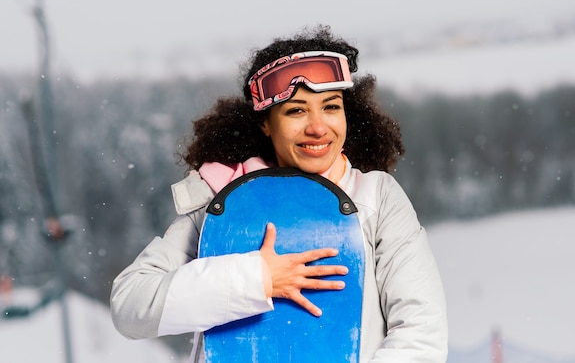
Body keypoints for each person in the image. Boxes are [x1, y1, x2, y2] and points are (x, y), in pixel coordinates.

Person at [110, 26, 448, 362]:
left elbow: (420, 335)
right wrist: (257, 278)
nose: (318, 126)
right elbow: (130, 305)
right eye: (296, 110)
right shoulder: (221, 201)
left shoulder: (377, 199)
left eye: (330, 107)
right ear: (265, 123)